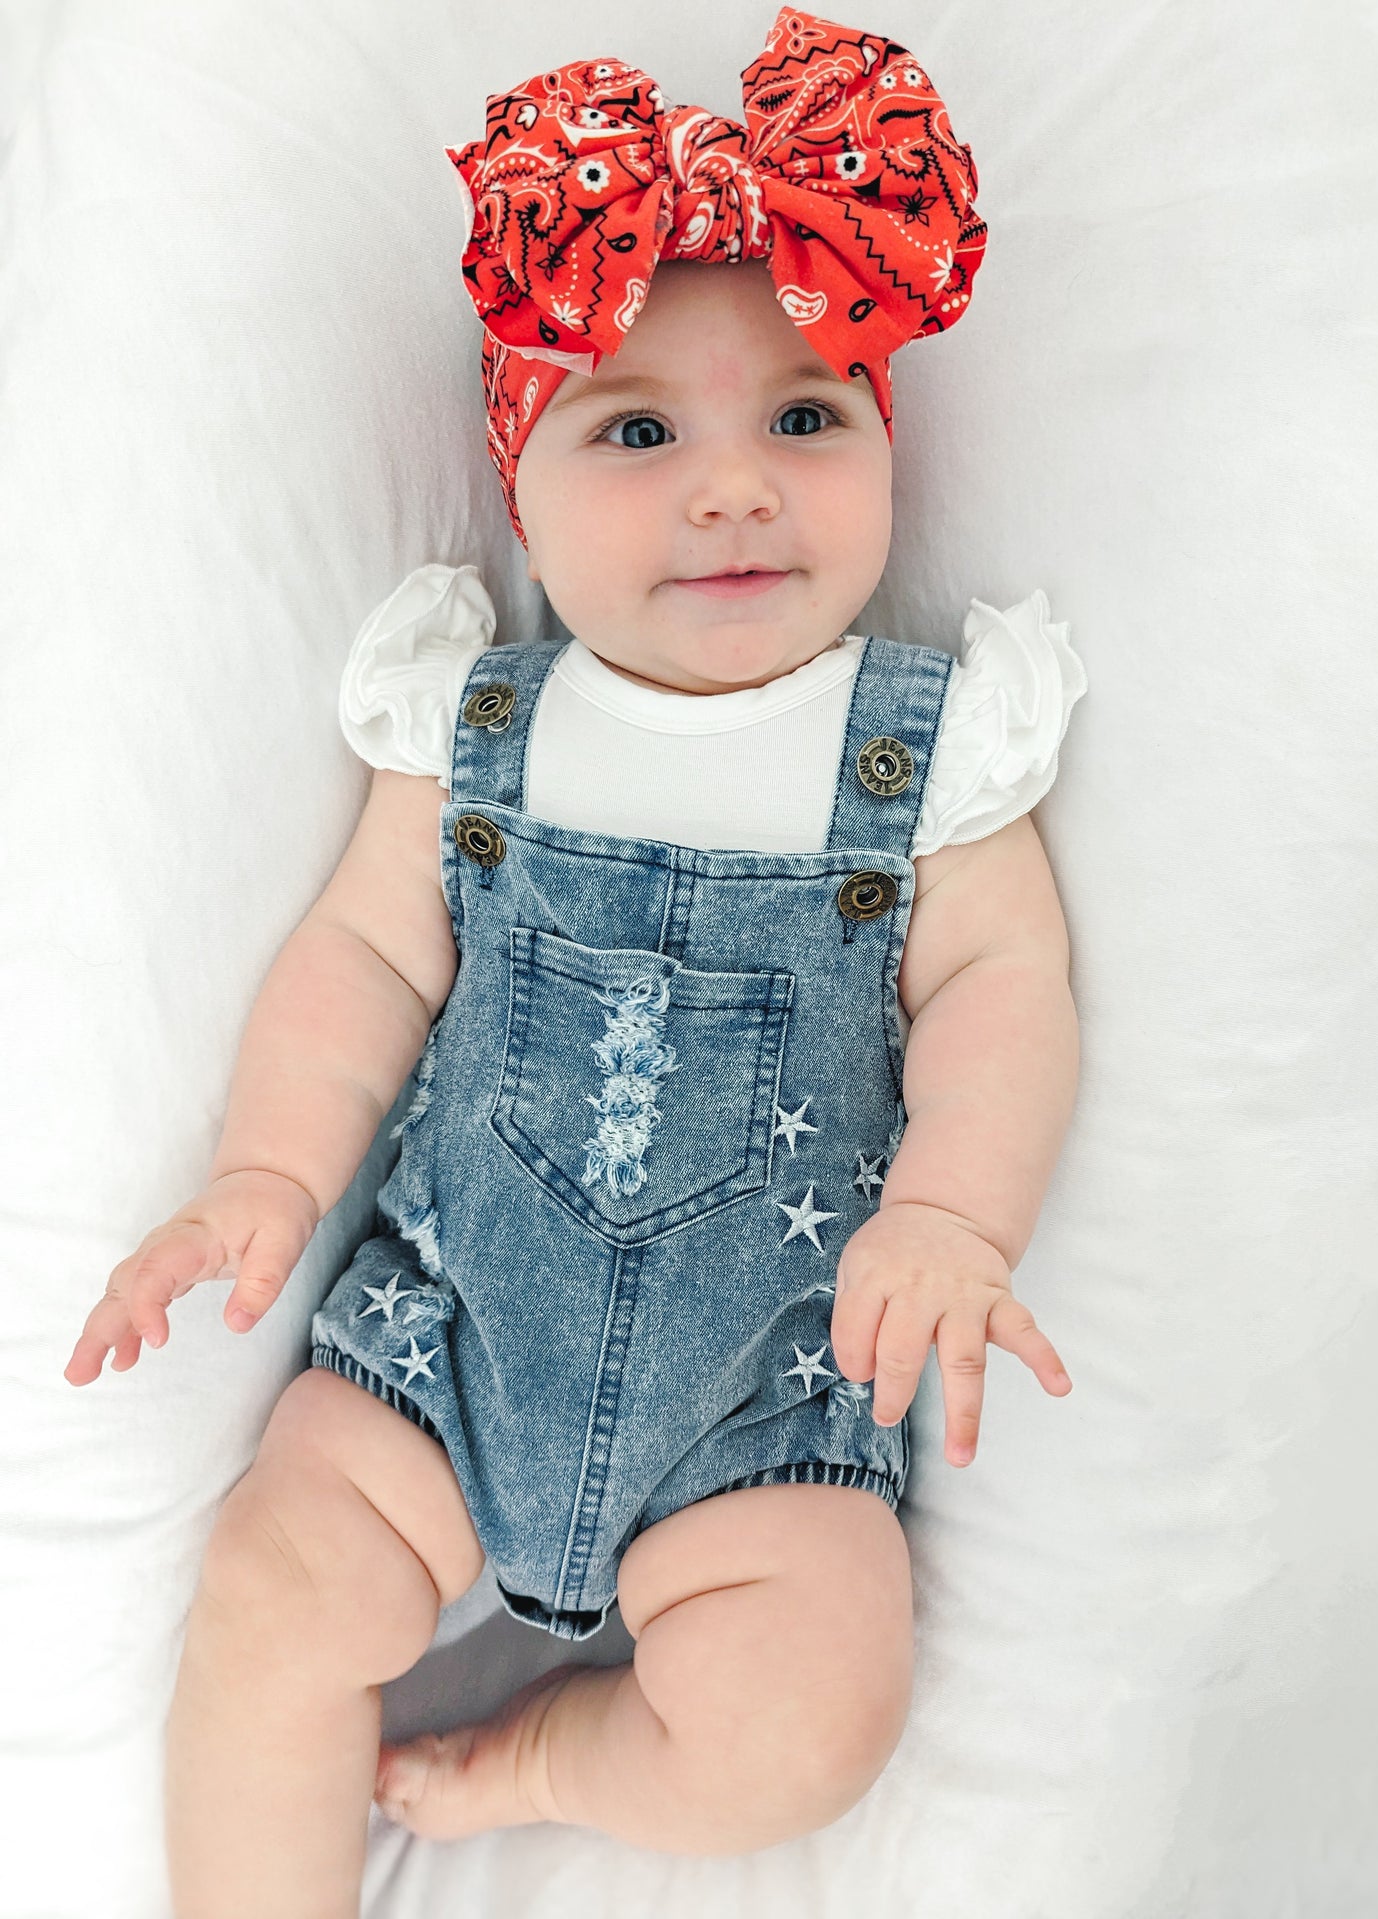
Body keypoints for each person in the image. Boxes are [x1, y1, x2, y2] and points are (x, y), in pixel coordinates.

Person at [63, 7, 1088, 1901]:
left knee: (808, 1722)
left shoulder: (932, 748)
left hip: (763, 1416)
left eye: (804, 415)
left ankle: (547, 1749)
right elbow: (366, 956)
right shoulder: (475, 722)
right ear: (518, 491)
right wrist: (266, 1176)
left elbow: (1001, 996)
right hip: (438, 1356)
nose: (731, 486)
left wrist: (952, 1216)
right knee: (277, 1591)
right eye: (636, 430)